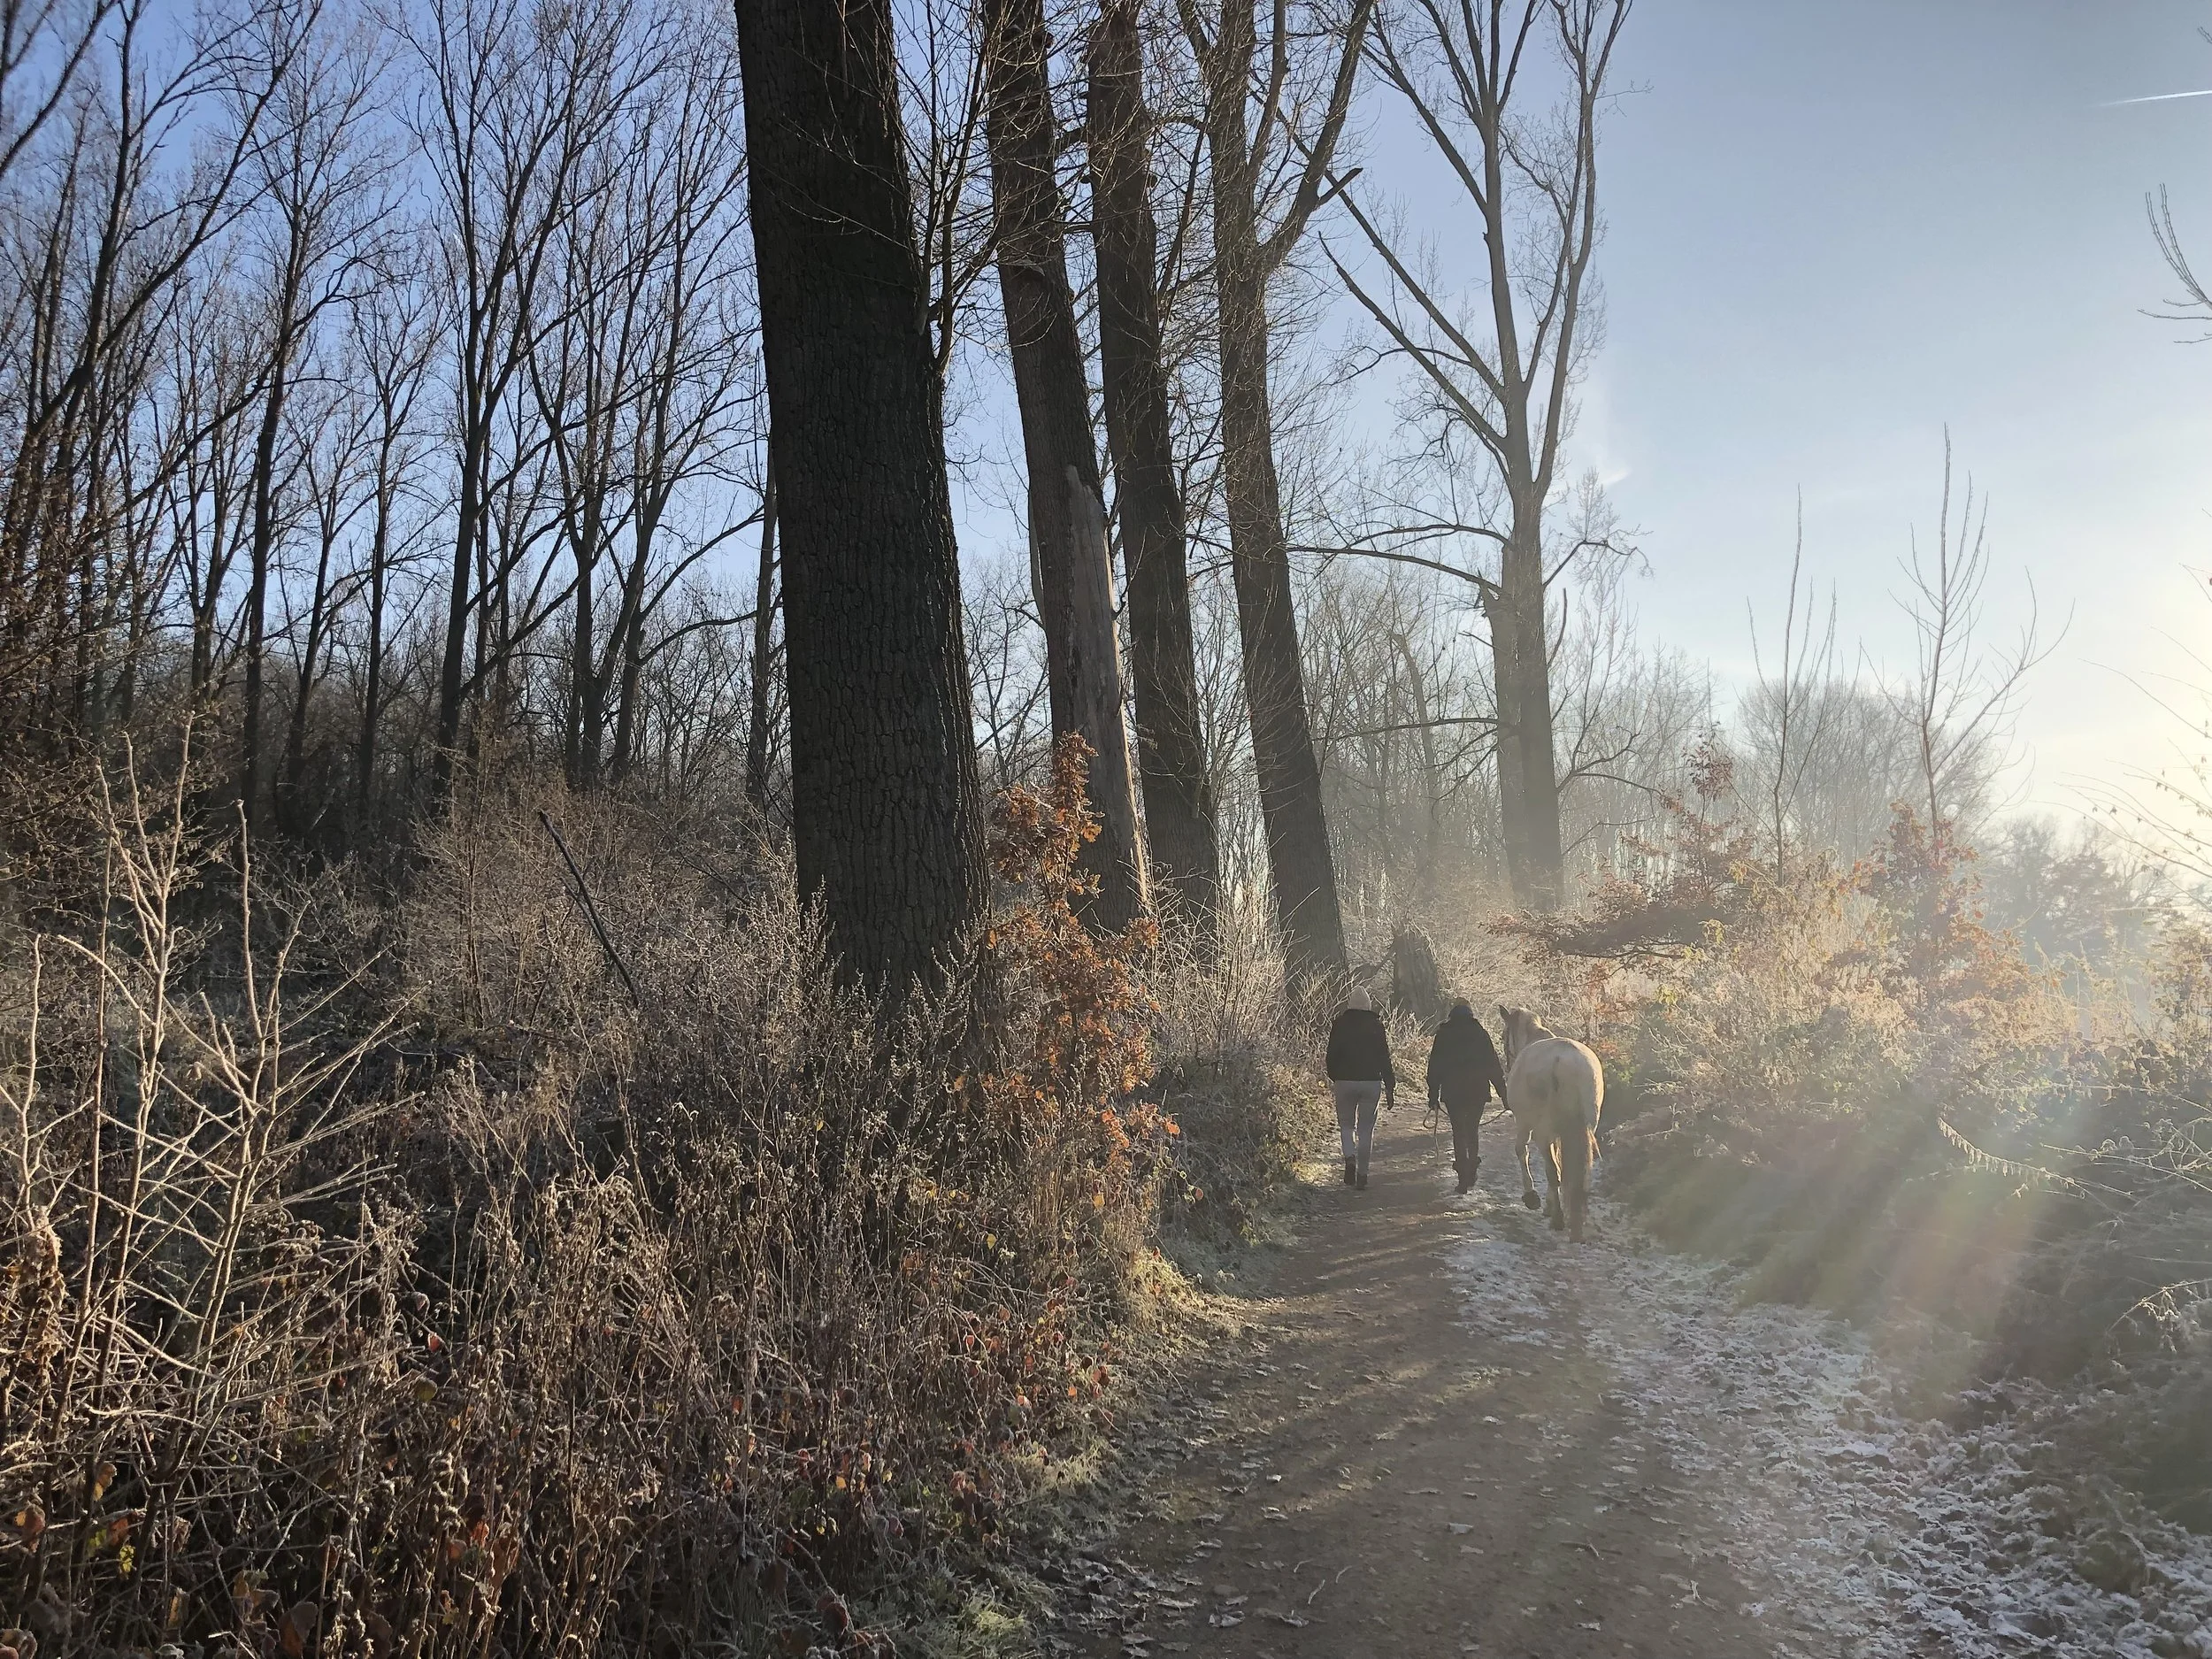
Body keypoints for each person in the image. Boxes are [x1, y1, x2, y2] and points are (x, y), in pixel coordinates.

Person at [1425, 1000, 1506, 1194]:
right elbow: (1493, 1066)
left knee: (1458, 1132)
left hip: (1453, 1092)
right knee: (1472, 1130)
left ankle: (1463, 1176)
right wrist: (1504, 1095)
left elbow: (1435, 1066)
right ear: (1471, 1014)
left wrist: (1433, 1095)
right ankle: (1471, 1168)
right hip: (1477, 1091)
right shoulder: (1480, 1034)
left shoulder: (1444, 1034)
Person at [1325, 987, 1394, 1190]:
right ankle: (1362, 1174)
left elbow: (1331, 1055)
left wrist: (1335, 1076)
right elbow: (1384, 1057)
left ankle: (1349, 1157)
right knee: (1366, 1130)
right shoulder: (1376, 1026)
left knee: (1346, 1125)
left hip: (1344, 1081)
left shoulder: (1339, 1024)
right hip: (1371, 1082)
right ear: (1368, 1005)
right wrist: (1390, 1085)